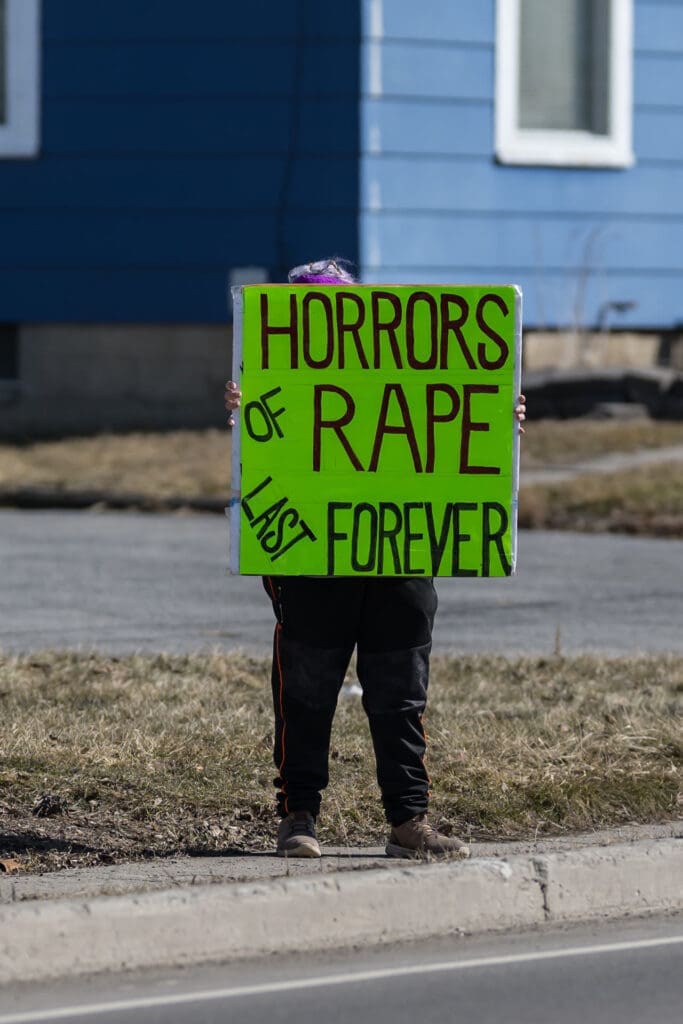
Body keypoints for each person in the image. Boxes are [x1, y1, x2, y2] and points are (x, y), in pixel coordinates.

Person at [225, 258, 526, 860]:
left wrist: (496, 417)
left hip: (400, 563)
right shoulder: (271, 386)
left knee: (401, 697)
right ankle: (298, 817)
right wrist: (244, 411)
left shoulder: (403, 376)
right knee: (305, 696)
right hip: (313, 568)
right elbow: (269, 455)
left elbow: (443, 433)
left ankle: (409, 822)